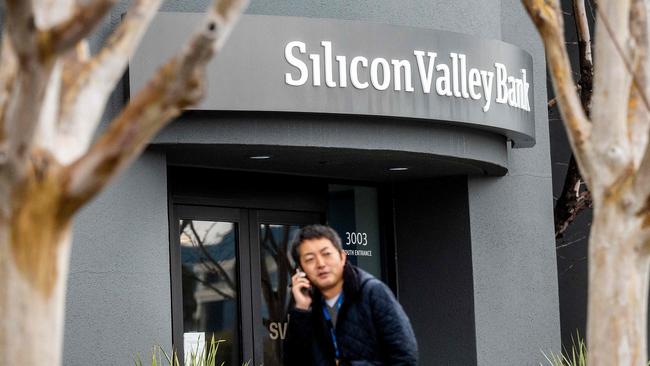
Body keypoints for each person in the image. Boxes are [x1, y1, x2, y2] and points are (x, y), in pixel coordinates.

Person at [283, 224, 418, 366]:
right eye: (310, 259)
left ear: (342, 257)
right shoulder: (309, 307)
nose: (320, 264)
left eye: (326, 254)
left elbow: (405, 356)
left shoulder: (372, 292)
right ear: (301, 269)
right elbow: (294, 361)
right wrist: (302, 310)